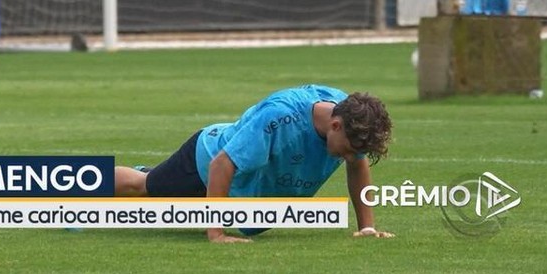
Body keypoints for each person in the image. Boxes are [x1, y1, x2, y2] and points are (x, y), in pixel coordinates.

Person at [113, 84, 395, 243]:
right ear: (335, 125)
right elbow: (221, 165)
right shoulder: (281, 117)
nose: (349, 157)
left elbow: (357, 165)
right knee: (143, 188)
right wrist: (216, 233)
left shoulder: (349, 120)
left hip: (241, 184)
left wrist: (366, 228)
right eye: (347, 151)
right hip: (207, 163)